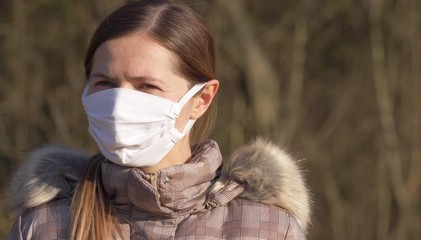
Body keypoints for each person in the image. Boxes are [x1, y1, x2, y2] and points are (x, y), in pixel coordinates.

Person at [7, 0, 311, 239]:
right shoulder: (41, 227)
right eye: (105, 83)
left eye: (146, 86)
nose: (118, 104)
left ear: (201, 100)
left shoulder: (265, 229)